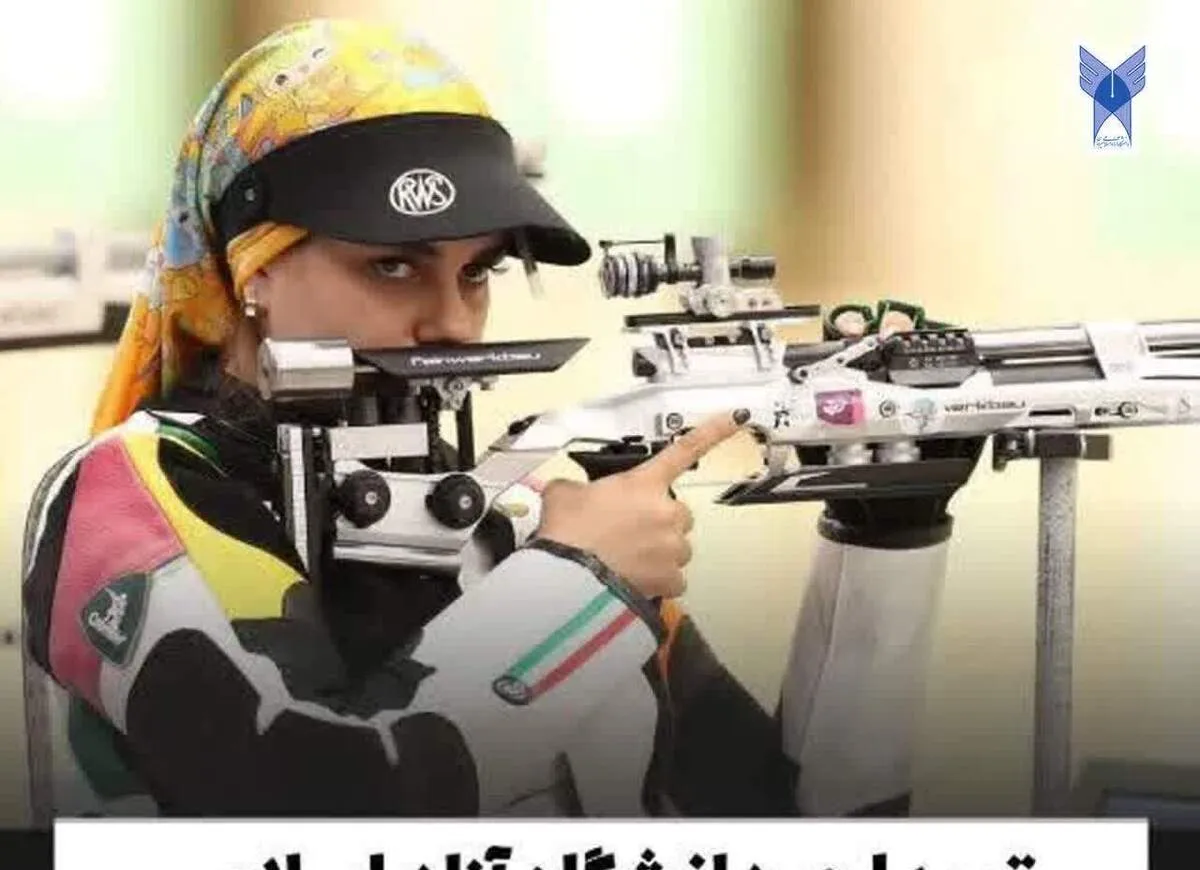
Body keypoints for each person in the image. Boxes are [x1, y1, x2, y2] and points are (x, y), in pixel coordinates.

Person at [20, 19, 980, 820]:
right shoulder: (125, 490)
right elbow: (318, 804)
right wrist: (583, 582)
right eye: (392, 265)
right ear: (252, 266)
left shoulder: (515, 520)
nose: (450, 320)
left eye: (476, 272)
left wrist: (884, 537)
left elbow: (812, 846)